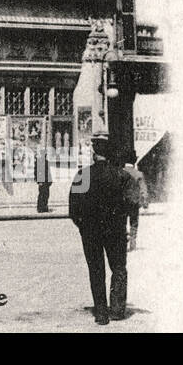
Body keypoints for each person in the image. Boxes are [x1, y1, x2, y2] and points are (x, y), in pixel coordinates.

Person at [68, 136, 131, 325]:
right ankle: (118, 310)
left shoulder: (83, 175)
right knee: (118, 267)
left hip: (91, 232)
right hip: (116, 231)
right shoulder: (122, 176)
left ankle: (102, 313)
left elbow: (73, 209)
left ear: (94, 154)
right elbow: (130, 204)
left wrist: (84, 226)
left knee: (96, 270)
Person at [121, 149, 149, 251]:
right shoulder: (139, 174)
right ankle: (133, 243)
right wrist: (145, 203)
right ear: (134, 161)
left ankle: (123, 241)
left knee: (122, 223)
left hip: (122, 203)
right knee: (134, 223)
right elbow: (143, 190)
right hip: (134, 202)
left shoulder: (120, 173)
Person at [35, 145, 53, 213]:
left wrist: (50, 180)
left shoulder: (46, 161)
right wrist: (39, 181)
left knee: (46, 194)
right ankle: (40, 208)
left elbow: (48, 172)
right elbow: (36, 172)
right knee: (41, 195)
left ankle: (45, 207)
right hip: (42, 181)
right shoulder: (39, 161)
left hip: (46, 181)